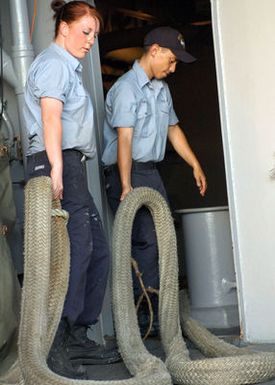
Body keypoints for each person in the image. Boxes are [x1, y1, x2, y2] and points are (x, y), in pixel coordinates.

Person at [23, 0, 119, 380]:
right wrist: (58, 169)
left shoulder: (68, 67)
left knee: (96, 249)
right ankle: (59, 342)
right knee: (74, 252)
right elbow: (50, 116)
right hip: (55, 161)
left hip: (70, 164)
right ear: (63, 27)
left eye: (95, 34)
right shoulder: (52, 64)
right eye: (85, 31)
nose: (90, 40)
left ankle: (77, 334)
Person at [102, 26, 207, 336]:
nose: (172, 69)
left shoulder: (161, 89)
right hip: (127, 170)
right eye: (171, 61)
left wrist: (195, 164)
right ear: (155, 51)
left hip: (150, 171)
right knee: (144, 242)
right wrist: (125, 185)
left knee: (162, 238)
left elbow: (173, 129)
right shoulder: (126, 89)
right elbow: (124, 139)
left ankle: (164, 312)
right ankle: (145, 318)